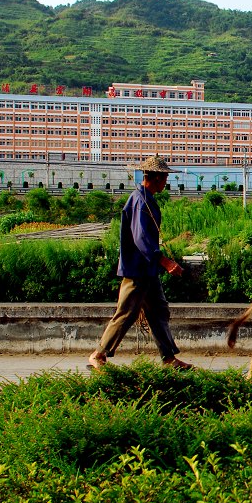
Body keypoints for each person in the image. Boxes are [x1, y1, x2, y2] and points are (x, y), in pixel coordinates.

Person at [89, 154, 193, 371]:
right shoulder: (139, 202)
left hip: (148, 271)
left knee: (159, 311)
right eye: (164, 178)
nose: (166, 182)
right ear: (155, 178)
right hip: (137, 270)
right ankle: (98, 354)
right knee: (126, 312)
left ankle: (169, 358)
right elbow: (141, 238)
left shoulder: (146, 199)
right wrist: (164, 262)